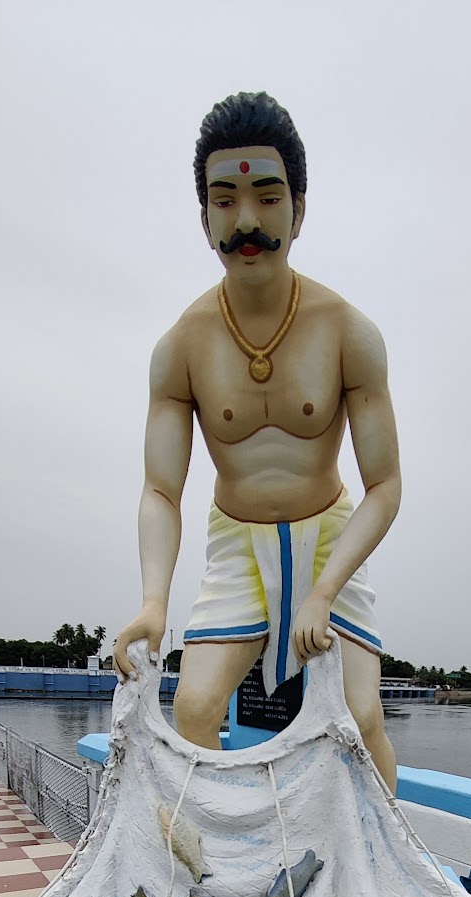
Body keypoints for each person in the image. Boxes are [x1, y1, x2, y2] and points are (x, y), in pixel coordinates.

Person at [114, 91, 401, 791]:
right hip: (234, 539)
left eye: (267, 197)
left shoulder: (347, 332)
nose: (246, 221)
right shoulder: (181, 346)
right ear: (205, 215)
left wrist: (324, 590)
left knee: (362, 719)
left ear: (299, 209)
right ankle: (208, 878)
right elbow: (161, 489)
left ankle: (389, 873)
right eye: (225, 198)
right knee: (195, 707)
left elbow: (385, 486)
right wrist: (154, 601)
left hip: (330, 535)